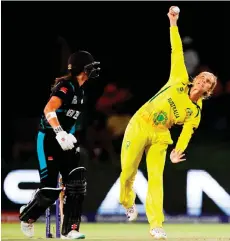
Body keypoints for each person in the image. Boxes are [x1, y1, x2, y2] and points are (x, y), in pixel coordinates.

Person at [119, 6, 217, 240]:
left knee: (156, 178)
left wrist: (178, 151)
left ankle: (156, 225)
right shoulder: (180, 78)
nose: (203, 80)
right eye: (203, 77)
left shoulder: (195, 111)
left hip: (161, 135)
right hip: (140, 124)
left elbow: (186, 134)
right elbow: (177, 50)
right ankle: (127, 201)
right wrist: (173, 23)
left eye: (208, 82)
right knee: (128, 172)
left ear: (207, 91)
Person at [19, 50, 100, 239]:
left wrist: (68, 137)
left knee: (76, 183)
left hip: (65, 140)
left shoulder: (80, 91)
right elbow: (49, 109)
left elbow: (68, 119)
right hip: (48, 139)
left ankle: (70, 229)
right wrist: (59, 133)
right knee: (50, 191)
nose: (93, 70)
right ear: (82, 68)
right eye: (90, 66)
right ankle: (27, 216)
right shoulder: (67, 86)